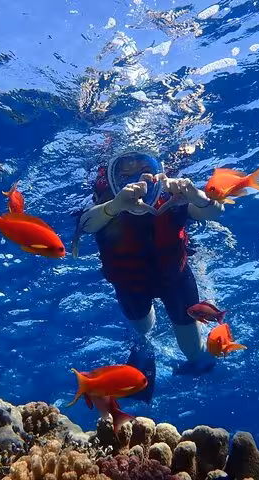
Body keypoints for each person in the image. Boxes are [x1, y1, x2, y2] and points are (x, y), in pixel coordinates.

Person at [73, 151, 228, 401]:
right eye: (126, 174)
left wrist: (195, 195)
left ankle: (199, 365)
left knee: (193, 351)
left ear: (158, 174)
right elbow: (84, 225)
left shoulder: (173, 198)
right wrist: (116, 205)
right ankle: (144, 350)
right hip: (130, 285)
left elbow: (214, 212)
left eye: (146, 172)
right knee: (143, 330)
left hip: (175, 281)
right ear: (113, 178)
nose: (138, 182)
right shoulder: (106, 204)